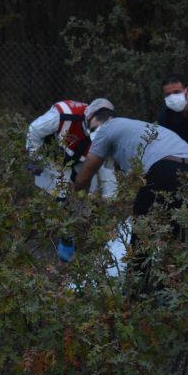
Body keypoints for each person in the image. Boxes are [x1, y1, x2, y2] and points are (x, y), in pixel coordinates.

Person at [74, 99, 188, 292]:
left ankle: (134, 293)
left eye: (92, 128)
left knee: (141, 234)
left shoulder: (106, 130)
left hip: (168, 169)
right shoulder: (134, 126)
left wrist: (70, 195)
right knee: (176, 231)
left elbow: (84, 177)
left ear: (95, 122)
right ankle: (175, 290)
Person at [26, 99, 117, 261]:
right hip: (51, 157)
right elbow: (34, 130)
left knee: (88, 196)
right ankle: (58, 237)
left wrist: (110, 198)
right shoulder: (63, 114)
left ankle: (80, 226)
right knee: (59, 197)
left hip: (78, 161)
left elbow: (106, 168)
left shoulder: (107, 136)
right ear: (89, 116)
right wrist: (35, 158)